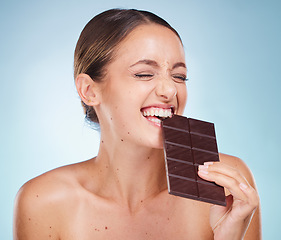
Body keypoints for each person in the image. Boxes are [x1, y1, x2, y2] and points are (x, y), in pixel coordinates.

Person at [13, 8, 261, 239]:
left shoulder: (227, 189)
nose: (169, 90)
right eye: (143, 74)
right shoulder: (42, 201)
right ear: (89, 90)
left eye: (179, 76)